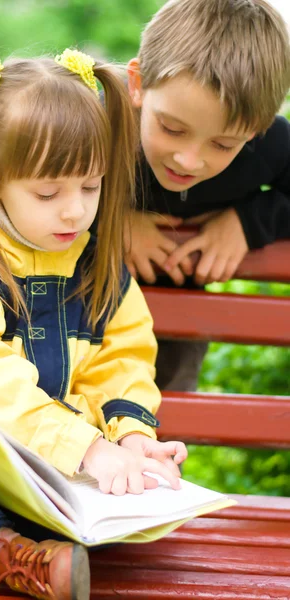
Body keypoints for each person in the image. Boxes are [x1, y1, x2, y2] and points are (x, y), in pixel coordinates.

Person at [0, 50, 187, 599]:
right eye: (49, 194)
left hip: (41, 468)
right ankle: (2, 551)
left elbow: (121, 357)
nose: (74, 212)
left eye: (91, 187)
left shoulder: (94, 261)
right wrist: (85, 448)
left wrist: (131, 435)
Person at [125, 0, 290, 391]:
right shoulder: (95, 122)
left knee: (163, 430)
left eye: (222, 144)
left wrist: (248, 224)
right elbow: (25, 183)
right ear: (138, 85)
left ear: (256, 130)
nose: (189, 160)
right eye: (172, 128)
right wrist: (107, 219)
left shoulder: (269, 145)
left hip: (173, 331)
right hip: (70, 312)